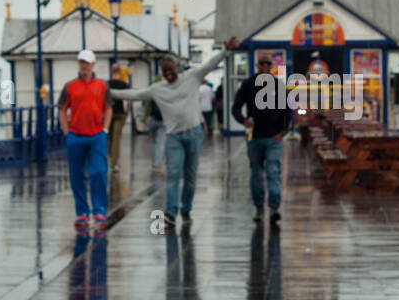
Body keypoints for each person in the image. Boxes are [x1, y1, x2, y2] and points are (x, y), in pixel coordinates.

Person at [110, 37, 239, 227]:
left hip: (194, 134)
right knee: (172, 175)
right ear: (162, 73)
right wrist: (108, 92)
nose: (169, 74)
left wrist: (226, 51)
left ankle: (186, 207)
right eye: (165, 72)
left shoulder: (192, 77)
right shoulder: (157, 89)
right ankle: (171, 211)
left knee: (191, 176)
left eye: (171, 70)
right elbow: (134, 94)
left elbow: (211, 64)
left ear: (178, 69)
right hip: (173, 138)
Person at [231, 54, 293, 224]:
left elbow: (287, 112)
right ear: (257, 65)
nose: (265, 66)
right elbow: (235, 108)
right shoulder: (248, 84)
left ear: (271, 66)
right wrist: (244, 121)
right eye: (262, 63)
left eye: (268, 63)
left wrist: (283, 132)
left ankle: (274, 208)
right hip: (255, 139)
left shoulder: (278, 85)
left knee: (273, 172)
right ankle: (259, 208)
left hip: (274, 138)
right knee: (256, 174)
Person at [58, 48, 110, 230]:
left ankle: (100, 211)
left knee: (99, 172)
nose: (84, 66)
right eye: (81, 62)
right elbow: (62, 109)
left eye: (87, 63)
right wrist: (66, 132)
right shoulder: (70, 86)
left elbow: (108, 107)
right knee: (76, 175)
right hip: (76, 136)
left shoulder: (102, 85)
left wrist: (105, 129)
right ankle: (82, 212)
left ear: (93, 64)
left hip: (97, 136)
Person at [107, 66, 130, 174]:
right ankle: (114, 164)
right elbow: (129, 100)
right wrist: (127, 112)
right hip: (120, 114)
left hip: (109, 113)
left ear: (111, 72)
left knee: (109, 138)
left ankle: (111, 159)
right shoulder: (124, 84)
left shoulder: (107, 84)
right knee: (117, 138)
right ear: (120, 73)